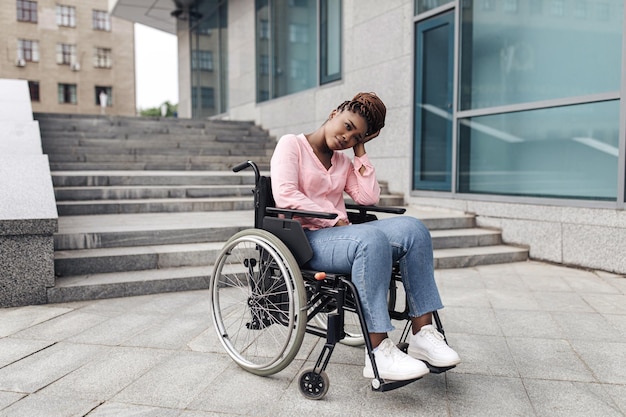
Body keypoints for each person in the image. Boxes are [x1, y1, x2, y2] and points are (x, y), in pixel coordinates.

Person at [270, 92, 460, 381]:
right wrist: (333, 218)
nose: (347, 137)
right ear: (334, 113)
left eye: (356, 136)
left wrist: (360, 152)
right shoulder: (291, 145)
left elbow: (368, 197)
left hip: (342, 237)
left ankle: (423, 334)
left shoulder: (343, 162)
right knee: (370, 240)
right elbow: (285, 195)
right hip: (306, 240)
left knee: (413, 230)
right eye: (347, 126)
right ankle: (379, 353)